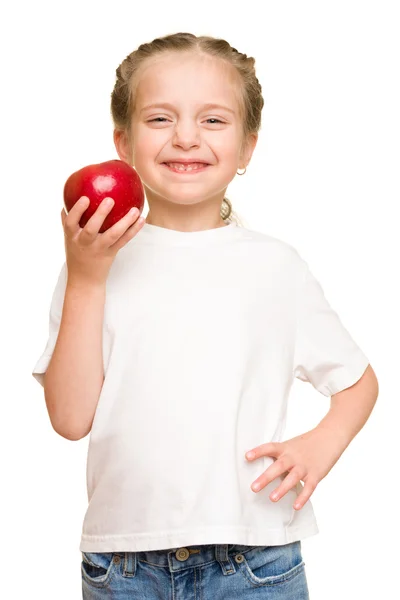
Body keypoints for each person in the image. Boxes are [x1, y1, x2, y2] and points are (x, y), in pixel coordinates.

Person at [32, 32, 379, 599]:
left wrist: (321, 443)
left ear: (247, 149)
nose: (186, 137)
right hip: (124, 566)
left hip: (256, 560)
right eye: (160, 118)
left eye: (213, 121)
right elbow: (70, 419)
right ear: (123, 142)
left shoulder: (275, 267)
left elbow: (358, 383)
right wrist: (88, 277)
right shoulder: (93, 258)